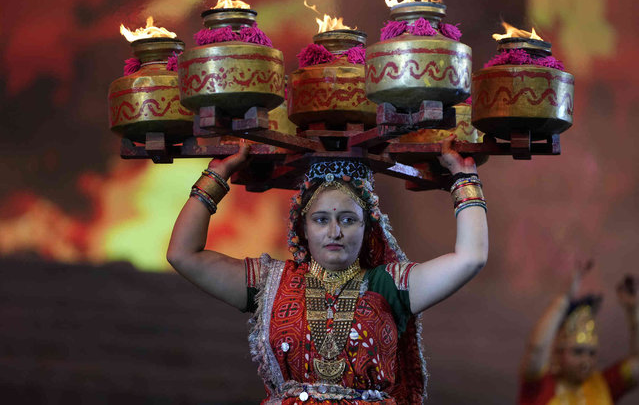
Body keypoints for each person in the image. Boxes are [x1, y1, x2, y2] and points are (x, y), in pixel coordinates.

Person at [167, 135, 488, 403]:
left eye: (348, 220)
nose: (335, 231)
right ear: (303, 227)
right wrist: (216, 176)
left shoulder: (388, 285)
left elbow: (470, 258)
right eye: (322, 219)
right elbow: (184, 255)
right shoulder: (271, 283)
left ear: (368, 227)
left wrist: (464, 177)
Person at [518, 261, 639, 404]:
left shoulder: (603, 384)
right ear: (558, 353)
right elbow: (536, 350)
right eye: (578, 352)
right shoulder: (539, 387)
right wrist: (563, 299)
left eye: (591, 353)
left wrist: (634, 311)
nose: (586, 361)